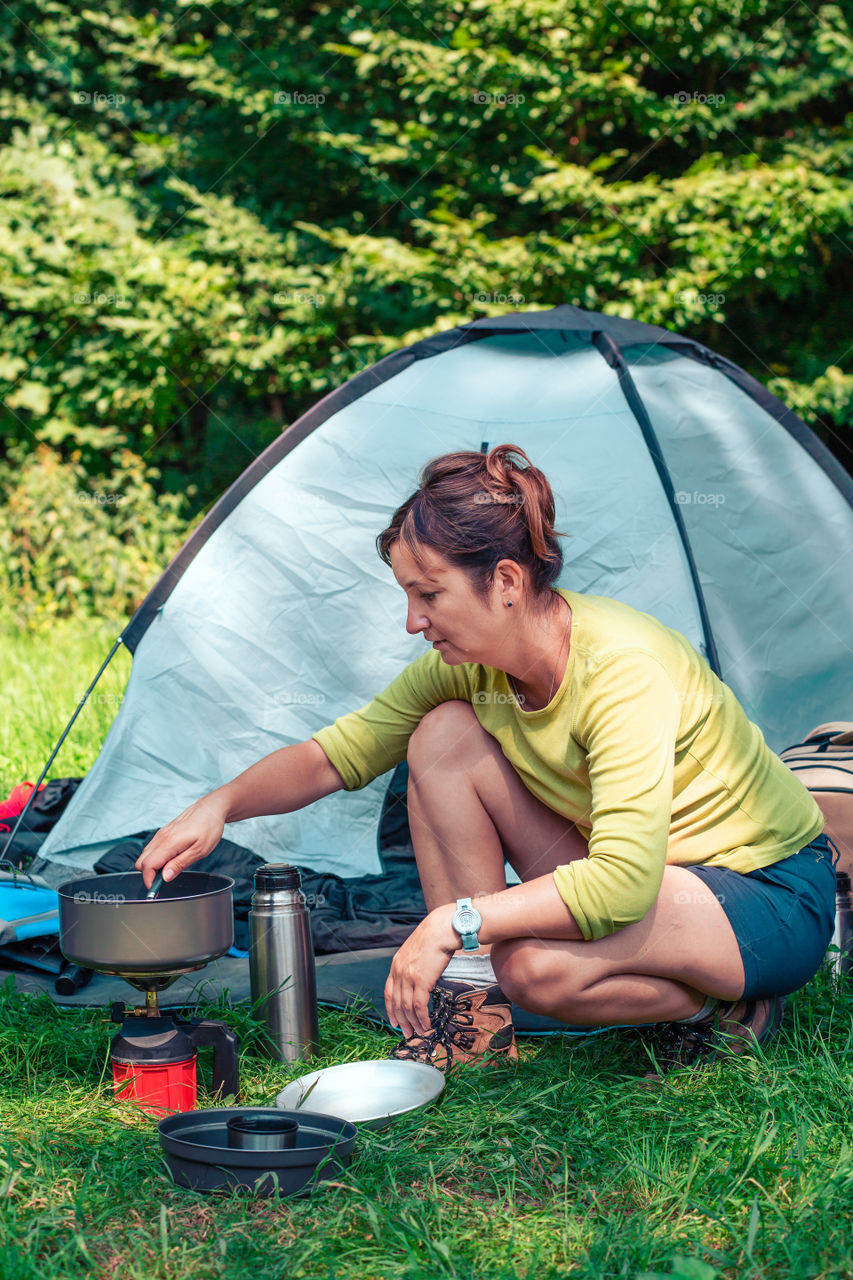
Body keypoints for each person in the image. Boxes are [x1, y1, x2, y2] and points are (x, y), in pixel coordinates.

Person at [136, 444, 839, 1079]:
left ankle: (726, 1011)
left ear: (505, 580)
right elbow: (336, 756)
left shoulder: (621, 668)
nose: (413, 621)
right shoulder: (472, 669)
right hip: (641, 873)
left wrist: (454, 922)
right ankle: (474, 1017)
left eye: (428, 593)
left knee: (533, 970)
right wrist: (220, 803)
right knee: (440, 735)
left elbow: (622, 882)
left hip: (761, 889)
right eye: (408, 595)